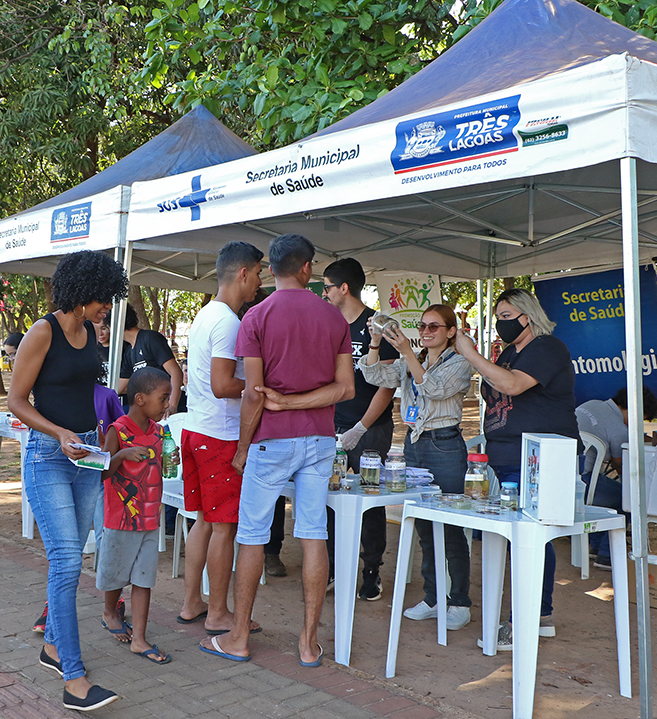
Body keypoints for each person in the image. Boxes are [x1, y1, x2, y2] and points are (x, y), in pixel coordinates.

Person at [202, 233, 354, 667]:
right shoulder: (334, 318)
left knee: (251, 536)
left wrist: (244, 445)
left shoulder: (256, 316)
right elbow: (345, 389)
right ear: (307, 268)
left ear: (270, 269)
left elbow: (254, 393)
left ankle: (238, 637)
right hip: (320, 439)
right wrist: (300, 404)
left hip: (270, 441)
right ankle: (308, 643)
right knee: (313, 535)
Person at [7, 249, 128, 712]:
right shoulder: (43, 332)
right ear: (82, 293)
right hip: (48, 456)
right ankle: (74, 680)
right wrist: (58, 433)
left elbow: (82, 391)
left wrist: (95, 435)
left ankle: (53, 647)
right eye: (103, 300)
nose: (107, 309)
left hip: (86, 455)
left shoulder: (89, 332)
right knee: (66, 561)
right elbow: (17, 401)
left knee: (72, 557)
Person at [453, 288, 579, 649]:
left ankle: (530, 618)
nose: (501, 323)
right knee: (516, 537)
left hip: (539, 457)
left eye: (507, 316)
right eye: (498, 317)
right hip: (505, 458)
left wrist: (470, 353)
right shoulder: (511, 352)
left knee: (530, 537)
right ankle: (536, 614)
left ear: (528, 315)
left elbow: (512, 384)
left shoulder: (547, 347)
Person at [361, 304, 475, 630]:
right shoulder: (413, 359)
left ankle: (459, 601)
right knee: (424, 526)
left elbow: (433, 389)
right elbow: (372, 375)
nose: (425, 332)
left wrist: (408, 354)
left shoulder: (460, 362)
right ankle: (433, 597)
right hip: (415, 442)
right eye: (423, 326)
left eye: (434, 327)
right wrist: (374, 342)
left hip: (445, 444)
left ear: (451, 332)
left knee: (450, 525)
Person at [178, 241, 264, 633]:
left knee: (204, 522)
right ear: (243, 273)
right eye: (258, 274)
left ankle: (192, 602)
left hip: (197, 430)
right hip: (221, 436)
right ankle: (217, 613)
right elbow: (221, 384)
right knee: (224, 526)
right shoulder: (229, 322)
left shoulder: (205, 314)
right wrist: (257, 386)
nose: (260, 282)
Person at [320, 258, 399, 600]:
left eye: (327, 287)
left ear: (344, 288)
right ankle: (334, 568)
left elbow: (388, 384)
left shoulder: (378, 325)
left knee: (370, 499)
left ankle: (371, 570)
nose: (323, 294)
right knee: (329, 498)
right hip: (331, 427)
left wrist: (360, 427)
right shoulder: (327, 324)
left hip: (371, 428)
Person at [97, 367, 176, 665]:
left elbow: (160, 467)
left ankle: (139, 639)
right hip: (121, 518)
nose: (167, 404)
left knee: (145, 578)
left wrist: (170, 458)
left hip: (150, 518)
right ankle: (110, 612)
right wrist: (121, 456)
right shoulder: (118, 430)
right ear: (141, 399)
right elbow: (103, 472)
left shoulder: (159, 432)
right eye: (163, 398)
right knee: (115, 573)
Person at [575, 387, 657, 570]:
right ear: (637, 410)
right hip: (583, 484)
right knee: (631, 498)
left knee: (609, 489)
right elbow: (622, 467)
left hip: (560, 479)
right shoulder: (619, 429)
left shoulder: (591, 405)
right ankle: (606, 555)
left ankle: (596, 545)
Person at [119, 305, 182, 415]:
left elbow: (176, 372)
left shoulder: (150, 339)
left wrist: (172, 405)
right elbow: (117, 387)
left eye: (106, 328)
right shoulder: (129, 352)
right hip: (149, 411)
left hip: (165, 411)